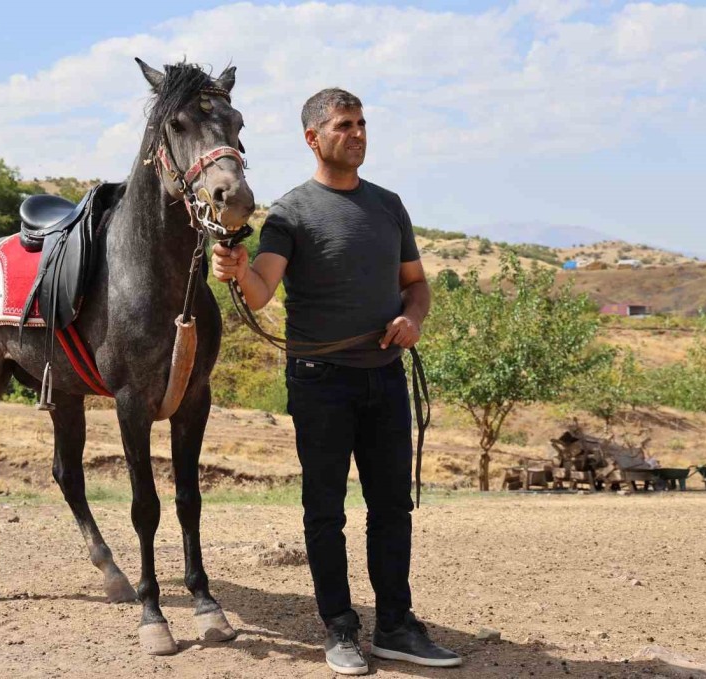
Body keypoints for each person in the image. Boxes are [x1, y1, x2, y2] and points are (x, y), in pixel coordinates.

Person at [211, 88, 462, 674]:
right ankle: (340, 630)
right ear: (313, 138)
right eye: (344, 125)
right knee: (325, 511)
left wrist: (412, 318)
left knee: (393, 507)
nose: (358, 133)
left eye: (362, 123)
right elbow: (261, 291)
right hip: (320, 382)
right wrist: (235, 269)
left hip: (385, 377)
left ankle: (396, 626)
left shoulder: (389, 206)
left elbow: (416, 285)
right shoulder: (291, 213)